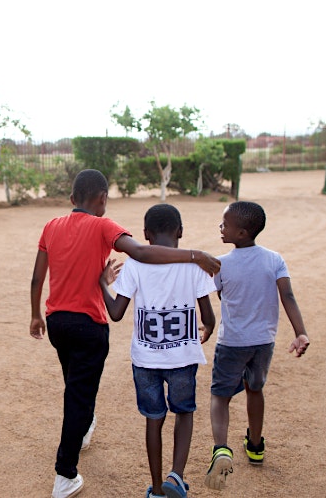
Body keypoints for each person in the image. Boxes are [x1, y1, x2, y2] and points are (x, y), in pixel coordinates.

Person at [30, 169, 221, 498]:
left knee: (76, 384)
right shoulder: (104, 225)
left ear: (73, 199)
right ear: (102, 198)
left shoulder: (51, 225)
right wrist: (196, 255)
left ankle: (86, 427)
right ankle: (65, 474)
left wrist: (35, 315)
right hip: (90, 325)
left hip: (57, 322)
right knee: (79, 393)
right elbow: (143, 253)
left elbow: (37, 279)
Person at [98, 204, 216, 498]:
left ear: (145, 235)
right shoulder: (193, 265)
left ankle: (157, 489)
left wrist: (101, 284)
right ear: (181, 232)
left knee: (154, 419)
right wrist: (209, 327)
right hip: (183, 358)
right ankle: (176, 475)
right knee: (184, 412)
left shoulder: (136, 265)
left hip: (145, 359)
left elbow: (115, 313)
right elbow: (207, 315)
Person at [204, 201, 310, 492]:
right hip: (263, 342)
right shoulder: (274, 259)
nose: (220, 227)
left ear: (242, 232)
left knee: (220, 396)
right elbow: (288, 296)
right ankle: (255, 446)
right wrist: (300, 333)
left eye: (224, 224)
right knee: (255, 388)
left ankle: (221, 449)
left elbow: (206, 295)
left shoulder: (220, 263)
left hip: (232, 343)